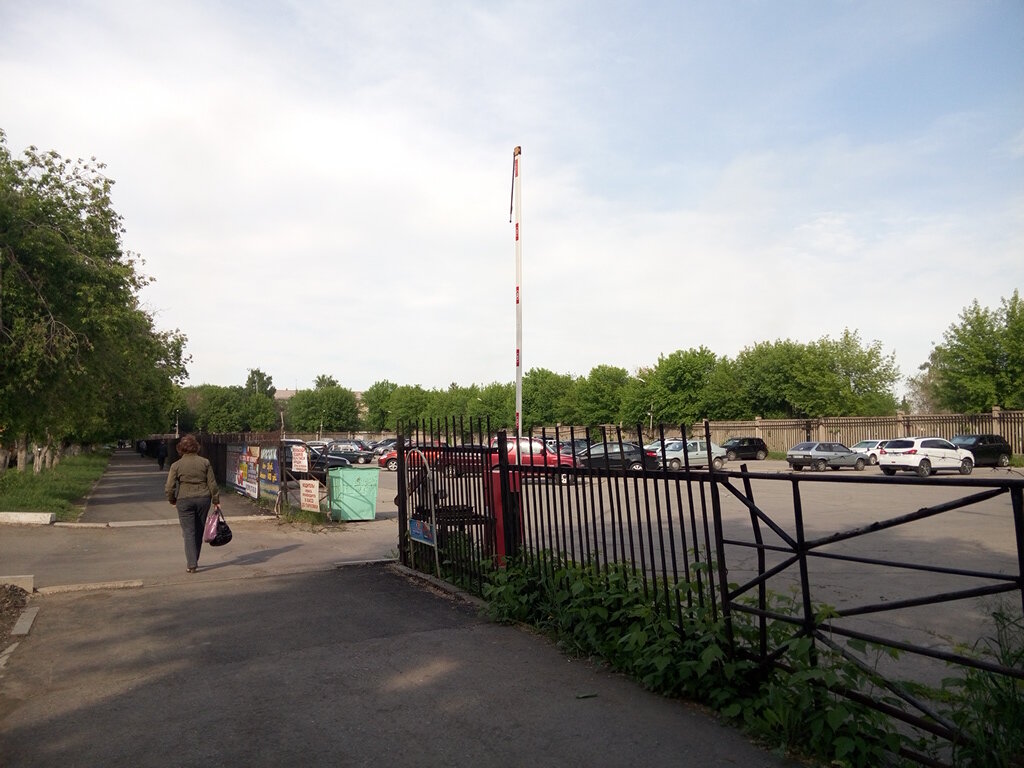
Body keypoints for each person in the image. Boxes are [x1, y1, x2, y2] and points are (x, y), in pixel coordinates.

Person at [164, 433, 221, 573]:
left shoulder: (176, 465)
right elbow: (212, 483)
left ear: (180, 449)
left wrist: (172, 499)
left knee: (188, 531)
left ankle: (191, 563)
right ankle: (194, 558)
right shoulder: (205, 462)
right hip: (203, 498)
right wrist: (216, 500)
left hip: (184, 499)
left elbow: (169, 486)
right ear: (196, 447)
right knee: (199, 530)